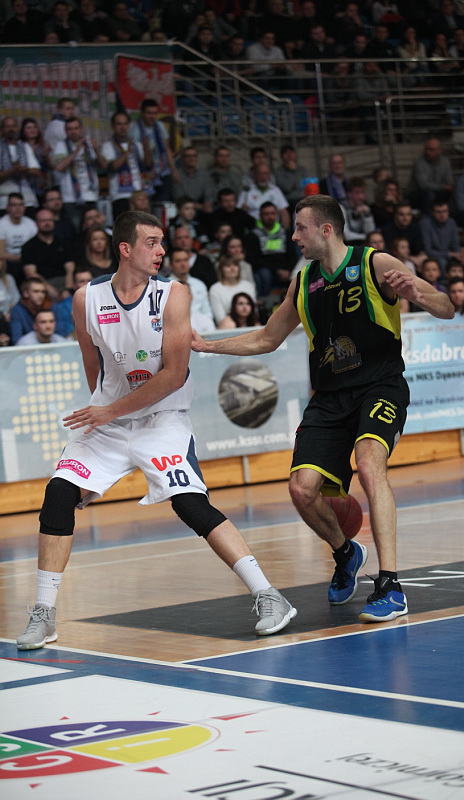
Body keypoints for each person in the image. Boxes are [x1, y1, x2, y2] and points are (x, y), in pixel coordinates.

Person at [16, 210, 296, 651]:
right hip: (109, 422)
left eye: (162, 242)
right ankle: (43, 614)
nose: (162, 250)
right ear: (125, 249)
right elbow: (92, 362)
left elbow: (173, 374)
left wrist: (110, 410)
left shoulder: (174, 295)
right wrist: (105, 412)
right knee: (58, 495)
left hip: (163, 419)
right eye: (152, 242)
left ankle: (269, 594)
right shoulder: (86, 298)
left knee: (190, 504)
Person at [192, 194, 454, 622]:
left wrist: (418, 295)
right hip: (330, 397)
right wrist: (207, 346)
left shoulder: (375, 263)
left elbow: (447, 307)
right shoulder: (303, 281)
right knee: (302, 489)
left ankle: (390, 585)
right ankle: (346, 552)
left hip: (379, 387)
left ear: (326, 229)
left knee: (369, 465)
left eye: (300, 228)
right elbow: (267, 338)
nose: (294, 236)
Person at [51, 117, 106, 230]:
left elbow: (104, 166)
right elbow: (59, 167)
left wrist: (96, 150)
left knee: (94, 229)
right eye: (70, 129)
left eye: (76, 128)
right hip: (71, 198)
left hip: (91, 195)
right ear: (66, 131)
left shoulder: (89, 144)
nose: (73, 131)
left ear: (81, 129)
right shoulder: (61, 145)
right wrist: (76, 151)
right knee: (76, 230)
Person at [101, 110, 151, 219]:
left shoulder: (136, 145)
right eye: (119, 124)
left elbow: (148, 166)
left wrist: (146, 148)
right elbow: (111, 168)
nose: (122, 127)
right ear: (113, 126)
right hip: (120, 196)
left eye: (125, 124)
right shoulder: (107, 146)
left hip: (139, 194)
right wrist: (126, 153)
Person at [131, 98, 179, 204]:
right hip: (144, 175)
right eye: (149, 113)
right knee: (147, 205)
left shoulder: (159, 125)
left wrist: (174, 170)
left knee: (164, 204)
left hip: (163, 171)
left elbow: (166, 148)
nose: (152, 116)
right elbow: (135, 157)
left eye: (155, 113)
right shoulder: (135, 129)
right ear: (142, 113)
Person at [244, 201, 297, 298]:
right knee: (264, 274)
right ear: (260, 215)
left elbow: (292, 255)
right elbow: (254, 259)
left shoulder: (285, 233)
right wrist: (277, 270)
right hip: (266, 270)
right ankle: (264, 300)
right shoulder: (253, 235)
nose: (270, 216)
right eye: (266, 214)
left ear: (276, 215)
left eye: (272, 213)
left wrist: (288, 270)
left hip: (285, 269)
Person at [0, 116, 41, 215]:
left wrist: (25, 169)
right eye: (8, 126)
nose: (11, 129)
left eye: (13, 126)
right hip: (5, 202)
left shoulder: (25, 146)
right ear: (2, 129)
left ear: (18, 128)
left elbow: (37, 171)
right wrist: (12, 171)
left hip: (27, 199)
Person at [166, 246, 214, 324]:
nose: (183, 264)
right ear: (170, 265)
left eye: (185, 260)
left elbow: (207, 312)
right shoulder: (164, 286)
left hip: (201, 326)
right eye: (178, 261)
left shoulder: (199, 284)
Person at [407, 138, 453, 215]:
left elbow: (449, 182)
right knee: (429, 194)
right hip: (417, 193)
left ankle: (447, 218)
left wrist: (448, 187)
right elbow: (423, 185)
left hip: (437, 192)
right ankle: (426, 219)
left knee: (453, 193)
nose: (427, 152)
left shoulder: (445, 162)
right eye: (426, 149)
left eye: (431, 150)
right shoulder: (419, 162)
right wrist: (443, 187)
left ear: (439, 150)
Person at [237, 163, 291, 230]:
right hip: (253, 228)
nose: (263, 177)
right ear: (255, 175)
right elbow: (239, 211)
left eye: (266, 174)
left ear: (269, 176)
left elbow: (284, 212)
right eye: (260, 173)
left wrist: (285, 230)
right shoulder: (247, 191)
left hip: (273, 228)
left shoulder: (275, 190)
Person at [0, 192, 37, 286]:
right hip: (10, 263)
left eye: (21, 205)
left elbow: (37, 246)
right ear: (8, 207)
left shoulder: (31, 224)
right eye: (14, 205)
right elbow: (1, 253)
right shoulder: (2, 225)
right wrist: (21, 258)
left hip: (29, 260)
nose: (18, 208)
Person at [209, 256, 256, 326]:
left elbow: (252, 311)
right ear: (221, 270)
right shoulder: (215, 289)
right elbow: (220, 318)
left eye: (235, 265)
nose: (232, 269)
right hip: (227, 326)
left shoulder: (248, 286)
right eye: (228, 266)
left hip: (249, 324)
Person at [9, 276, 48, 343]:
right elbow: (17, 339)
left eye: (43, 292)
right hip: (26, 347)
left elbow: (60, 333)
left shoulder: (52, 308)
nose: (40, 295)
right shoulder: (17, 311)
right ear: (26, 293)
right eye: (36, 291)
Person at [340, 177, 376, 244]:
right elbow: (346, 235)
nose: (361, 197)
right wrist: (367, 237)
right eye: (357, 193)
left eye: (362, 192)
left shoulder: (364, 206)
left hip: (363, 244)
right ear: (349, 193)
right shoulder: (342, 207)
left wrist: (367, 215)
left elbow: (371, 232)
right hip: (347, 245)